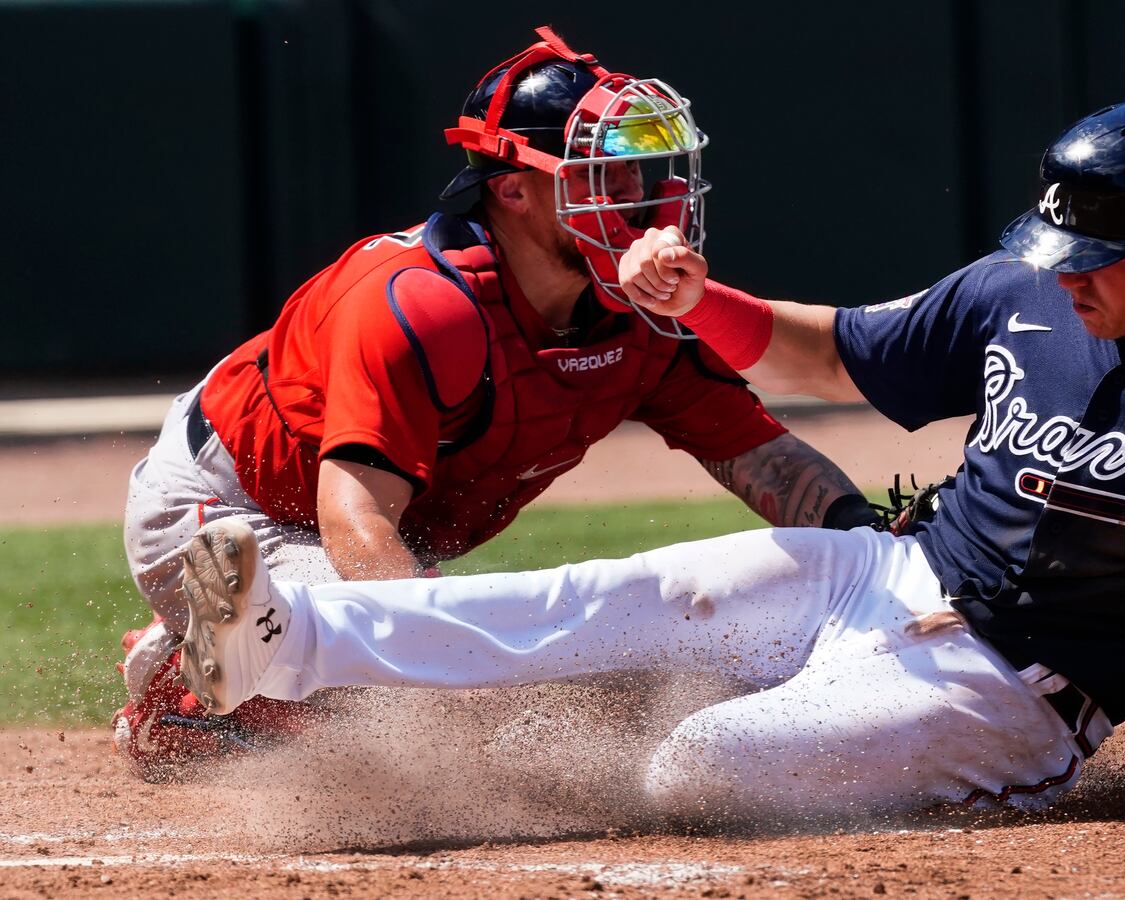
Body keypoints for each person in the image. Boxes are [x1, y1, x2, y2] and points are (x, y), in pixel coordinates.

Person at [172, 101, 1125, 837]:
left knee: (698, 770)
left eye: (1098, 259)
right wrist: (700, 296)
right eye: (1063, 256)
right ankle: (278, 638)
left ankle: (574, 759)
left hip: (1013, 697)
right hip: (879, 568)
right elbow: (822, 357)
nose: (1070, 283)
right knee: (610, 595)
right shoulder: (1022, 296)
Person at [112, 27, 876, 781]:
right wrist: (453, 672)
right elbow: (356, 519)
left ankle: (266, 660)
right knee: (455, 706)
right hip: (228, 518)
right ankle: (192, 685)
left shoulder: (642, 306)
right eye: (601, 176)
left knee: (603, 679)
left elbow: (759, 455)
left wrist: (873, 542)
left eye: (639, 175)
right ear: (512, 188)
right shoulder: (425, 304)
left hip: (357, 521)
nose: (639, 201)